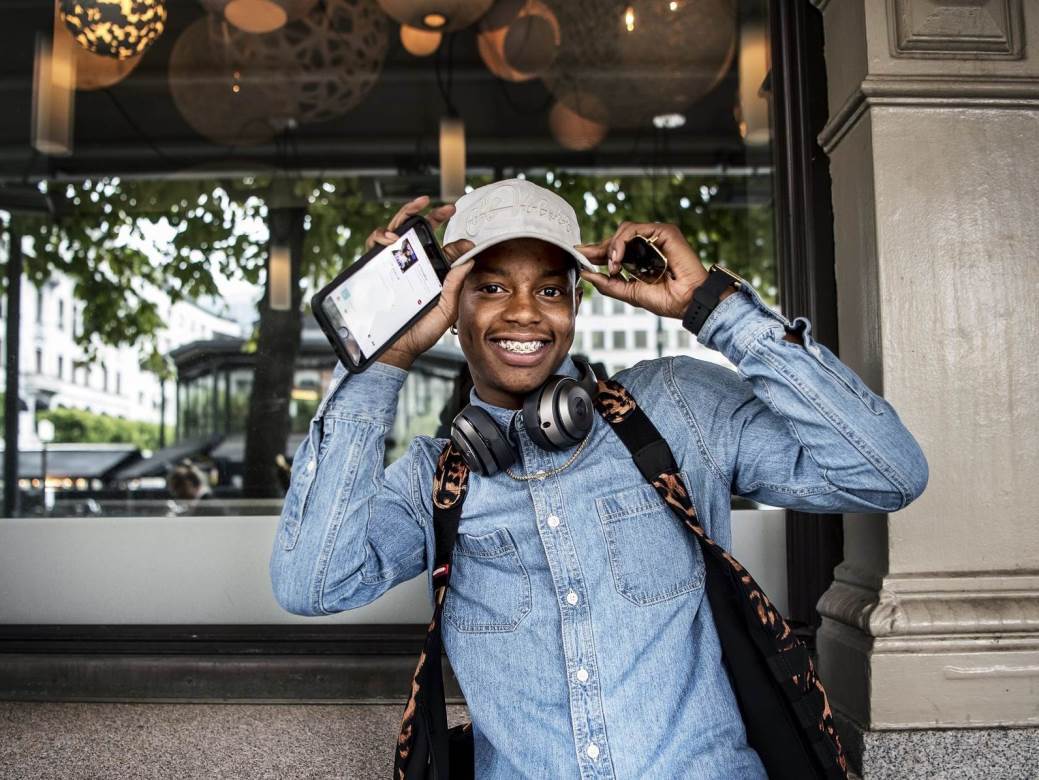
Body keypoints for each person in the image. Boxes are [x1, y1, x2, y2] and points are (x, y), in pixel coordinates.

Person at [269, 179, 929, 778]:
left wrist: (714, 308)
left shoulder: (677, 406)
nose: (524, 312)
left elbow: (884, 474)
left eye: (549, 289)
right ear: (448, 308)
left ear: (577, 301)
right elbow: (312, 584)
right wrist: (383, 357)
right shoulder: (433, 481)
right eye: (491, 287)